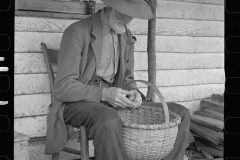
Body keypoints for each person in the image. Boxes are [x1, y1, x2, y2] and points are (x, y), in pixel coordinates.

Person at [45, 0, 191, 159]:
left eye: (132, 14)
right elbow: (63, 87)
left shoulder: (126, 35)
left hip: (113, 101)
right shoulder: (76, 31)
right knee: (108, 119)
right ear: (111, 5)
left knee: (180, 112)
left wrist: (134, 92)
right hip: (77, 102)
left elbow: (127, 78)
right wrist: (104, 94)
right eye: (124, 12)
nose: (128, 19)